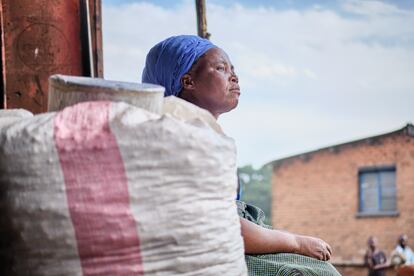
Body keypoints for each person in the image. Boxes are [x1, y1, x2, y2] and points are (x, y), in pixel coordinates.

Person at [142, 35, 340, 275]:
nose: (234, 76)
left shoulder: (208, 139)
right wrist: (296, 243)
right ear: (188, 81)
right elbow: (221, 224)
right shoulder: (178, 140)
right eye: (221, 68)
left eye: (232, 69)